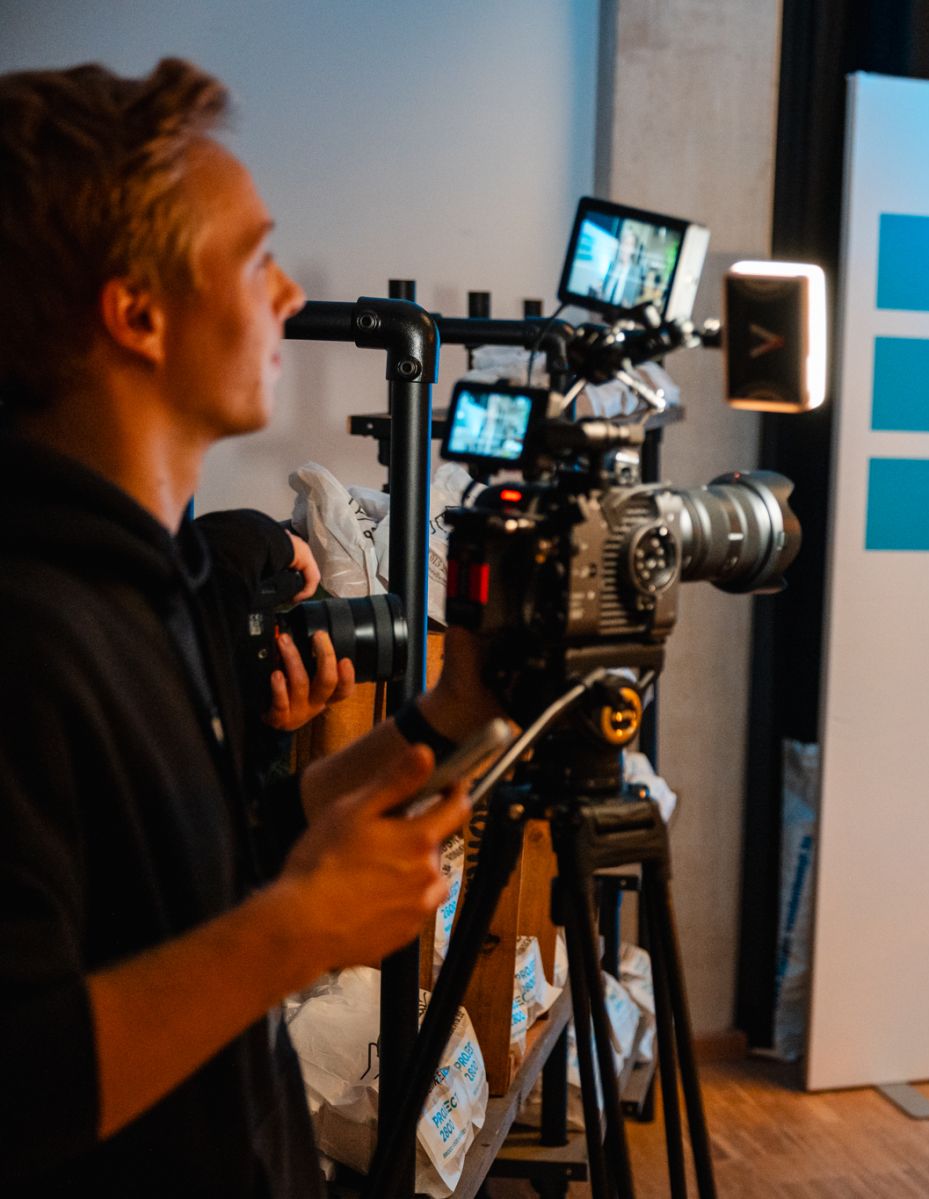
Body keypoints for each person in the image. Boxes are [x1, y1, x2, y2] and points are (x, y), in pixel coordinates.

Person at [0, 59, 502, 1195]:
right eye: (254, 258)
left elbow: (224, 855)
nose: (284, 295)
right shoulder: (28, 629)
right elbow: (20, 1081)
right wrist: (299, 930)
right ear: (137, 312)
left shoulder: (155, 574)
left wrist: (450, 711)